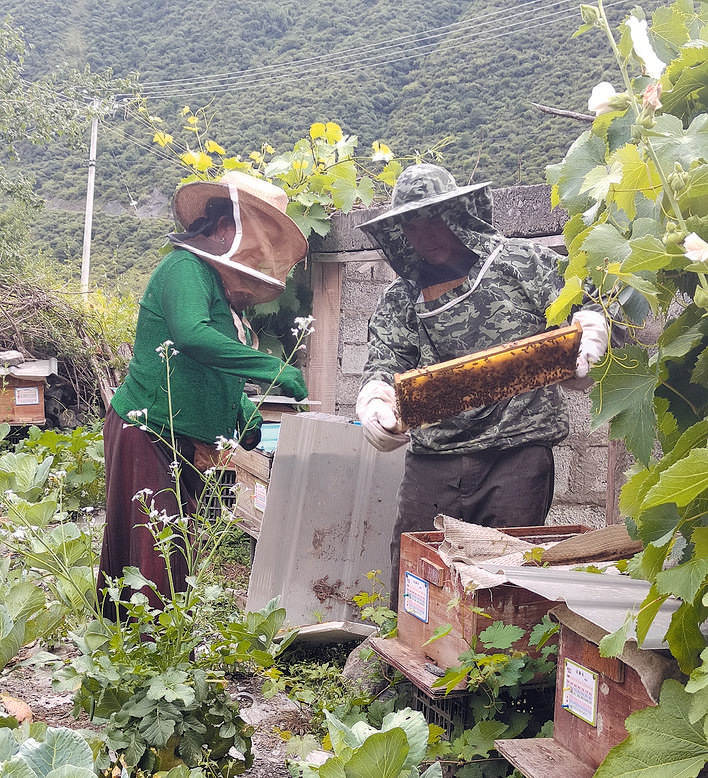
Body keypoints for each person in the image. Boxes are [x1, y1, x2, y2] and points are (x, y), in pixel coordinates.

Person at [355, 163, 608, 608]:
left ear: (459, 214)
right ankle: (407, 666)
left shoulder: (523, 264)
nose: (426, 235)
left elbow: (584, 302)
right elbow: (385, 360)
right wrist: (377, 402)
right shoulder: (401, 297)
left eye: (435, 219)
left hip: (516, 455)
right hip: (434, 459)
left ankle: (502, 675)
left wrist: (589, 331)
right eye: (413, 225)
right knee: (419, 572)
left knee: (505, 578)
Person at [98, 171, 309, 619]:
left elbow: (209, 364)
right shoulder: (184, 269)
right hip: (147, 429)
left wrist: (242, 407)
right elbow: (192, 336)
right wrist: (276, 369)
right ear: (226, 228)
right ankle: (152, 661)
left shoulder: (213, 284)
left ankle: (139, 648)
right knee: (157, 553)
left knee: (168, 548)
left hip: (179, 439)